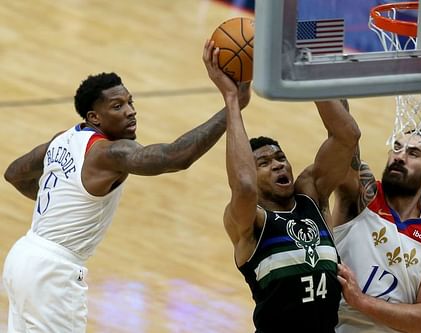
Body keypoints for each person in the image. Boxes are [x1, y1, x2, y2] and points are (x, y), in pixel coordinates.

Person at [2, 70, 250, 332]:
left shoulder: (62, 139)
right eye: (117, 106)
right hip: (52, 272)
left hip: (23, 256)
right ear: (94, 117)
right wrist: (232, 106)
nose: (130, 111)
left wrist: (59, 202)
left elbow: (14, 174)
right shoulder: (109, 153)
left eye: (130, 102)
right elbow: (174, 157)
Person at [203, 40, 361, 332]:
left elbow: (347, 137)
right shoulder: (250, 223)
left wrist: (307, 74)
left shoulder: (311, 196)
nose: (278, 164)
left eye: (280, 157)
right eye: (264, 162)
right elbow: (245, 186)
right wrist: (231, 99)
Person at [332, 131, 421, 332]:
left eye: (413, 153)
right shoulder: (362, 195)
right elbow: (343, 135)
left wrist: (361, 301)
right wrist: (330, 98)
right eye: (397, 147)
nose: (400, 156)